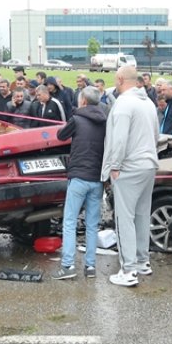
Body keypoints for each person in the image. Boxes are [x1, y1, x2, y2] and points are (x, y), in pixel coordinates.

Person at [101, 65, 160, 287]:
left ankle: (128, 270)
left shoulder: (123, 104)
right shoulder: (148, 103)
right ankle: (143, 262)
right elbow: (155, 135)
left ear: (119, 79)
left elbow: (119, 139)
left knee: (124, 218)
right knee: (142, 215)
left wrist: (114, 165)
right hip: (148, 163)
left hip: (129, 166)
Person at [52, 87, 108, 281]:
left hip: (78, 177)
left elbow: (61, 136)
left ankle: (68, 265)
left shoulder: (76, 119)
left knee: (69, 221)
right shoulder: (105, 121)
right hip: (97, 178)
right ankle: (90, 266)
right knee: (92, 224)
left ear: (83, 100)